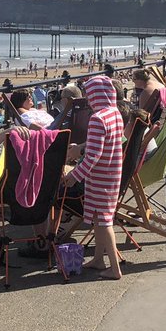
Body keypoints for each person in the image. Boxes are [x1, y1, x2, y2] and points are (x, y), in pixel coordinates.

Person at [62, 75, 125, 280]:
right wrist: (82, 147)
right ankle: (99, 259)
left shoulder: (98, 119)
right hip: (112, 172)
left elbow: (93, 156)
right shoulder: (114, 113)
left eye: (89, 95)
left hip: (100, 176)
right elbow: (103, 145)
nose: (88, 100)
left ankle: (115, 269)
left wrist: (75, 175)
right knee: (100, 217)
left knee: (104, 221)